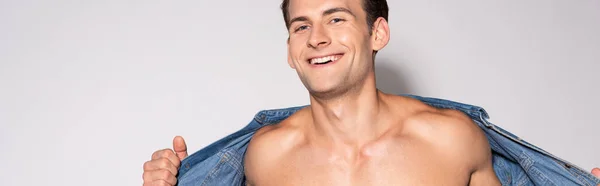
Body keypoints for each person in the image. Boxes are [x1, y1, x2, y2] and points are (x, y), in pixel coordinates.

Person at [142, 0, 600, 185]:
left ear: (377, 33)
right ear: (290, 50)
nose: (317, 37)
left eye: (337, 18)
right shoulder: (267, 156)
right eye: (302, 26)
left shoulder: (450, 140)